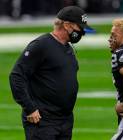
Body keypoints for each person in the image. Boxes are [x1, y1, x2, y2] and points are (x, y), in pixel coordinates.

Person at [9, 6, 93, 140]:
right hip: (43, 120)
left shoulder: (69, 47)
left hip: (65, 120)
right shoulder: (41, 45)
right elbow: (17, 76)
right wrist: (29, 108)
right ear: (67, 25)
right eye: (79, 27)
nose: (82, 32)